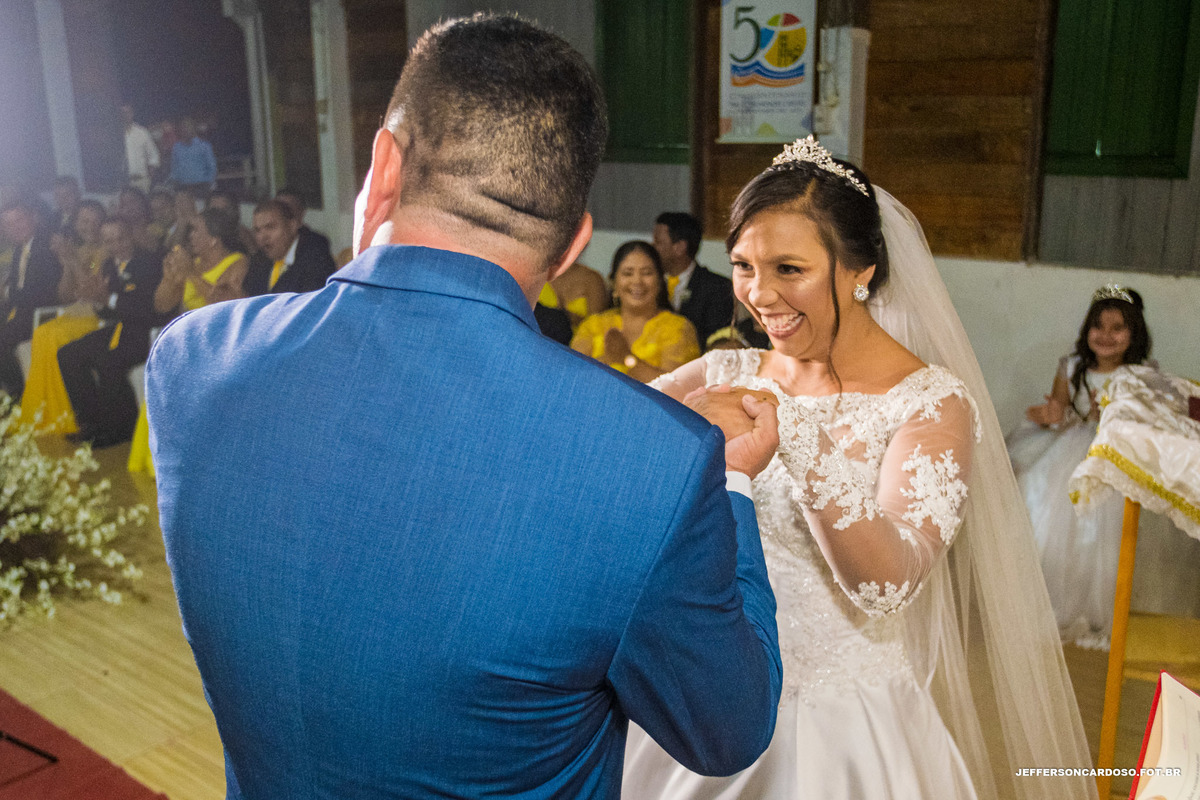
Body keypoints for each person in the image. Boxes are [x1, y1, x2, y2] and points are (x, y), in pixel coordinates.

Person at [147, 15, 782, 798]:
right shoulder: (662, 459)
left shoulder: (191, 361)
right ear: (575, 243)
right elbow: (728, 730)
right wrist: (733, 486)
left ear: (384, 163)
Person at [625, 137, 1097, 799]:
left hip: (837, 734)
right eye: (742, 266)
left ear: (862, 270)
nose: (759, 295)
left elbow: (887, 587)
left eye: (789, 269)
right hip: (706, 702)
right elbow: (605, 459)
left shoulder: (930, 403)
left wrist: (798, 437)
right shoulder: (720, 373)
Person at [1008, 286, 1200, 648]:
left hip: (1117, 452)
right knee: (1046, 504)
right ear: (1086, 331)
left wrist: (1109, 414)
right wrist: (1053, 414)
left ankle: (1106, 612)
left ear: (1134, 333)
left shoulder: (1142, 374)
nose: (1107, 336)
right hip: (1074, 445)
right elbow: (1062, 411)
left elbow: (1151, 419)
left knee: (1111, 526)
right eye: (1099, 326)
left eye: (1117, 328)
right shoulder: (1072, 366)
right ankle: (1060, 602)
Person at [59, 218, 164, 448]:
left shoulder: (149, 262)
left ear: (130, 235)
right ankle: (90, 422)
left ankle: (119, 428)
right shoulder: (107, 265)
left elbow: (147, 309)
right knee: (68, 353)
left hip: (145, 332)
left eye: (121, 238)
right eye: (110, 241)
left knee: (108, 360)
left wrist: (108, 299)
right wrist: (96, 300)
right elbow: (107, 311)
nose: (117, 245)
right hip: (118, 328)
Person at [21, 199, 109, 432]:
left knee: (54, 335)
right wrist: (69, 262)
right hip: (77, 312)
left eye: (94, 221)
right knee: (42, 333)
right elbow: (65, 296)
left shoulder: (107, 250)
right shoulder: (77, 250)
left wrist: (71, 259)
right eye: (83, 221)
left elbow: (90, 290)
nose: (88, 226)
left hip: (101, 316)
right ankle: (48, 411)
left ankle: (67, 413)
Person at [571, 240, 700, 381]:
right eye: (628, 273)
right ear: (614, 282)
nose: (637, 281)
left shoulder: (677, 328)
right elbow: (573, 379)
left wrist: (627, 358)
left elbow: (677, 388)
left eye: (646, 273)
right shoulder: (593, 326)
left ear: (660, 282)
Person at [0, 202, 63, 399]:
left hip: (45, 314)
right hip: (22, 311)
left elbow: (41, 293)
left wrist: (9, 299)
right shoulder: (20, 249)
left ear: (32, 218)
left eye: (19, 220)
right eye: (9, 224)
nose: (16, 227)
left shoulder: (46, 246)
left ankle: (19, 394)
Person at [653, 211, 734, 350]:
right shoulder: (650, 282)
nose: (652, 248)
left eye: (658, 242)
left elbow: (717, 340)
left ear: (680, 247)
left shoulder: (717, 287)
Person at [152, 207, 247, 315]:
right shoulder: (191, 263)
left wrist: (191, 273)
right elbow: (162, 306)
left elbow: (225, 305)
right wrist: (168, 277)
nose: (190, 236)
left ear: (213, 239)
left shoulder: (237, 262)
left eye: (195, 230)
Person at [243, 199, 336, 296]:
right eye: (257, 230)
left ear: (292, 226)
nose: (262, 237)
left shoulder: (316, 259)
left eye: (270, 227)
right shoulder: (259, 260)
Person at [538, 260, 608, 329]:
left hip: (579, 339)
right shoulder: (535, 275)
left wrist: (563, 317)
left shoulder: (593, 280)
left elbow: (596, 328)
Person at [169, 117, 217, 197]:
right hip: (182, 186)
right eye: (183, 127)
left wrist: (210, 182)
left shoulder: (204, 146)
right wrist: (174, 181)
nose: (185, 130)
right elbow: (174, 166)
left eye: (188, 127)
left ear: (193, 128)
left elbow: (212, 166)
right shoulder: (176, 147)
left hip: (201, 186)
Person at [123, 104, 161, 192]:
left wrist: (150, 177)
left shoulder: (142, 132)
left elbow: (154, 155)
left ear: (132, 114)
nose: (125, 115)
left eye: (127, 112)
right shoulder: (115, 135)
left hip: (142, 181)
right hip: (124, 183)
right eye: (122, 113)